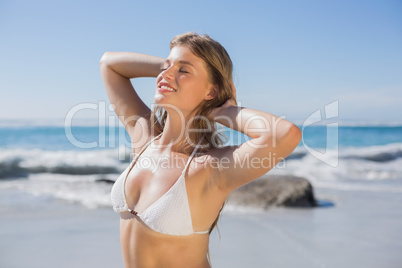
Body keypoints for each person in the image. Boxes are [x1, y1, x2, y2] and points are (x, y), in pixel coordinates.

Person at [100, 32, 302, 268]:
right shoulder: (144, 139)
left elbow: (284, 134)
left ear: (211, 92)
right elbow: (109, 64)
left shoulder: (209, 167)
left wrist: (223, 112)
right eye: (166, 67)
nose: (165, 74)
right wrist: (170, 66)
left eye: (184, 71)